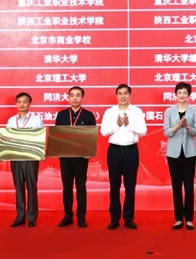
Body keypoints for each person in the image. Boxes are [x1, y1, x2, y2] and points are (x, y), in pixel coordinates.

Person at [100, 84, 147, 230]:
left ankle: (128, 218)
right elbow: (103, 132)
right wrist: (117, 124)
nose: (123, 96)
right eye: (120, 93)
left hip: (131, 151)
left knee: (130, 186)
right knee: (114, 186)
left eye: (125, 93)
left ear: (130, 95)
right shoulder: (110, 112)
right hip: (114, 151)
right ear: (116, 96)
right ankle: (114, 219)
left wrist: (129, 124)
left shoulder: (137, 111)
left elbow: (143, 130)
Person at [55, 86, 96, 228]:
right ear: (68, 97)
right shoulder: (61, 115)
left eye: (78, 95)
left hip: (81, 158)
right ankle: (67, 215)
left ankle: (81, 217)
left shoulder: (88, 116)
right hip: (65, 157)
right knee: (66, 187)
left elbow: (91, 136)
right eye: (72, 95)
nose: (75, 98)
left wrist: (89, 151)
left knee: (81, 187)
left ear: (82, 98)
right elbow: (57, 136)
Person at [163, 82, 196, 230]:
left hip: (189, 153)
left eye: (185, 92)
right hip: (173, 154)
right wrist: (178, 125)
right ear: (175, 94)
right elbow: (166, 131)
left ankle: (189, 219)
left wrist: (187, 126)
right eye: (179, 92)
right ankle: (179, 218)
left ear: (189, 95)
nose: (182, 95)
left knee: (189, 186)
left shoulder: (194, 111)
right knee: (176, 186)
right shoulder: (169, 111)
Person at [6, 92, 43, 228]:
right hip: (15, 158)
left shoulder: (36, 120)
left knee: (32, 187)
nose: (22, 104)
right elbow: (7, 138)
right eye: (19, 102)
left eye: (25, 101)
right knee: (19, 187)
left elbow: (39, 138)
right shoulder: (11, 121)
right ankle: (20, 216)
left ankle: (32, 217)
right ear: (16, 104)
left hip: (31, 158)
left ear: (29, 104)